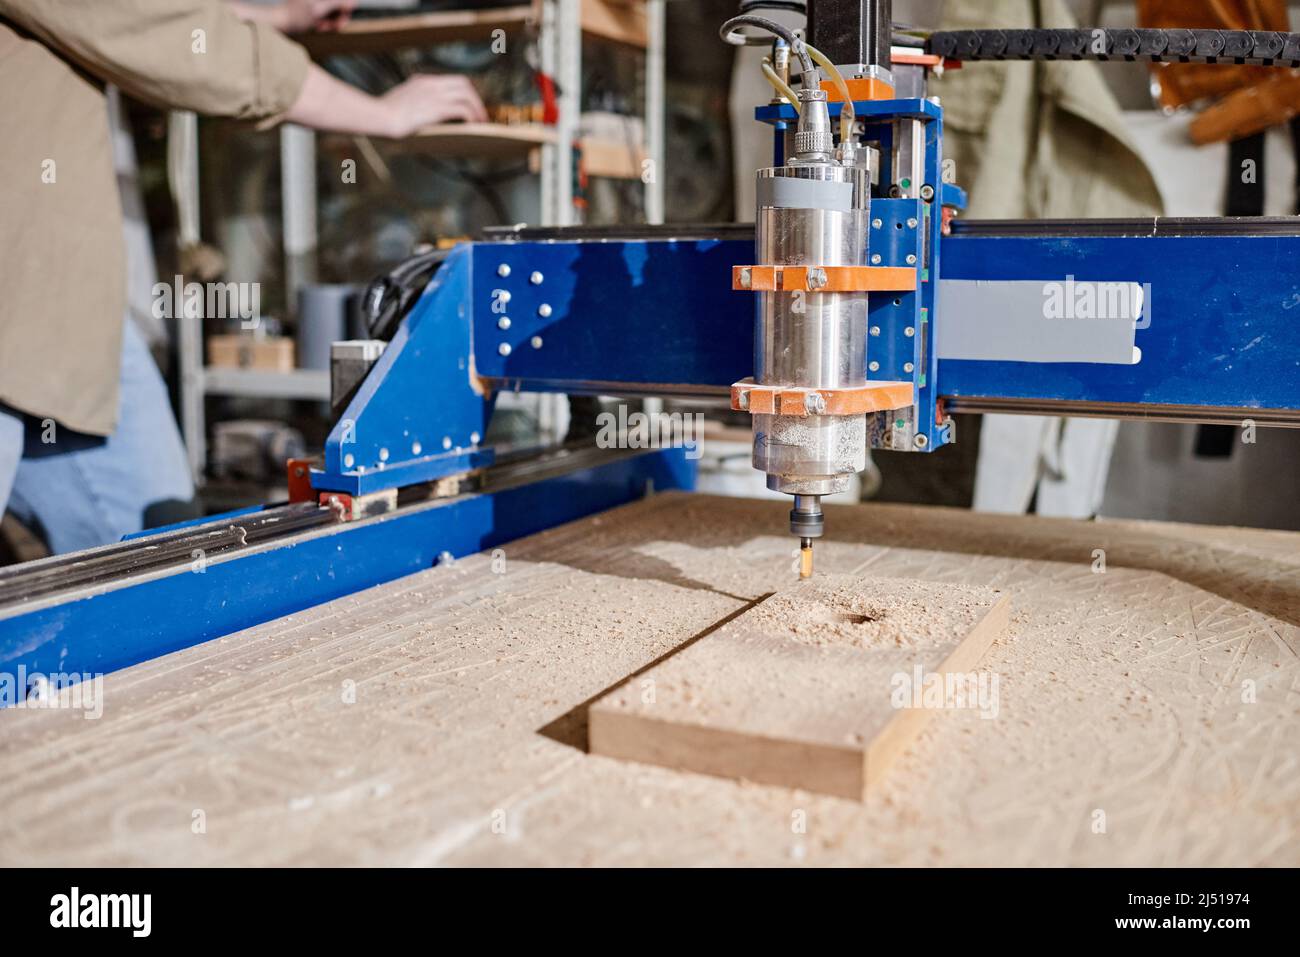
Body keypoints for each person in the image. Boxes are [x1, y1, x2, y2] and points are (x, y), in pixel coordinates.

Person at [0, 0, 487, 554]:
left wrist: (272, 12)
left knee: (166, 565)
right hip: (20, 302)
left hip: (58, 307)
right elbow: (152, 26)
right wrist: (380, 113)